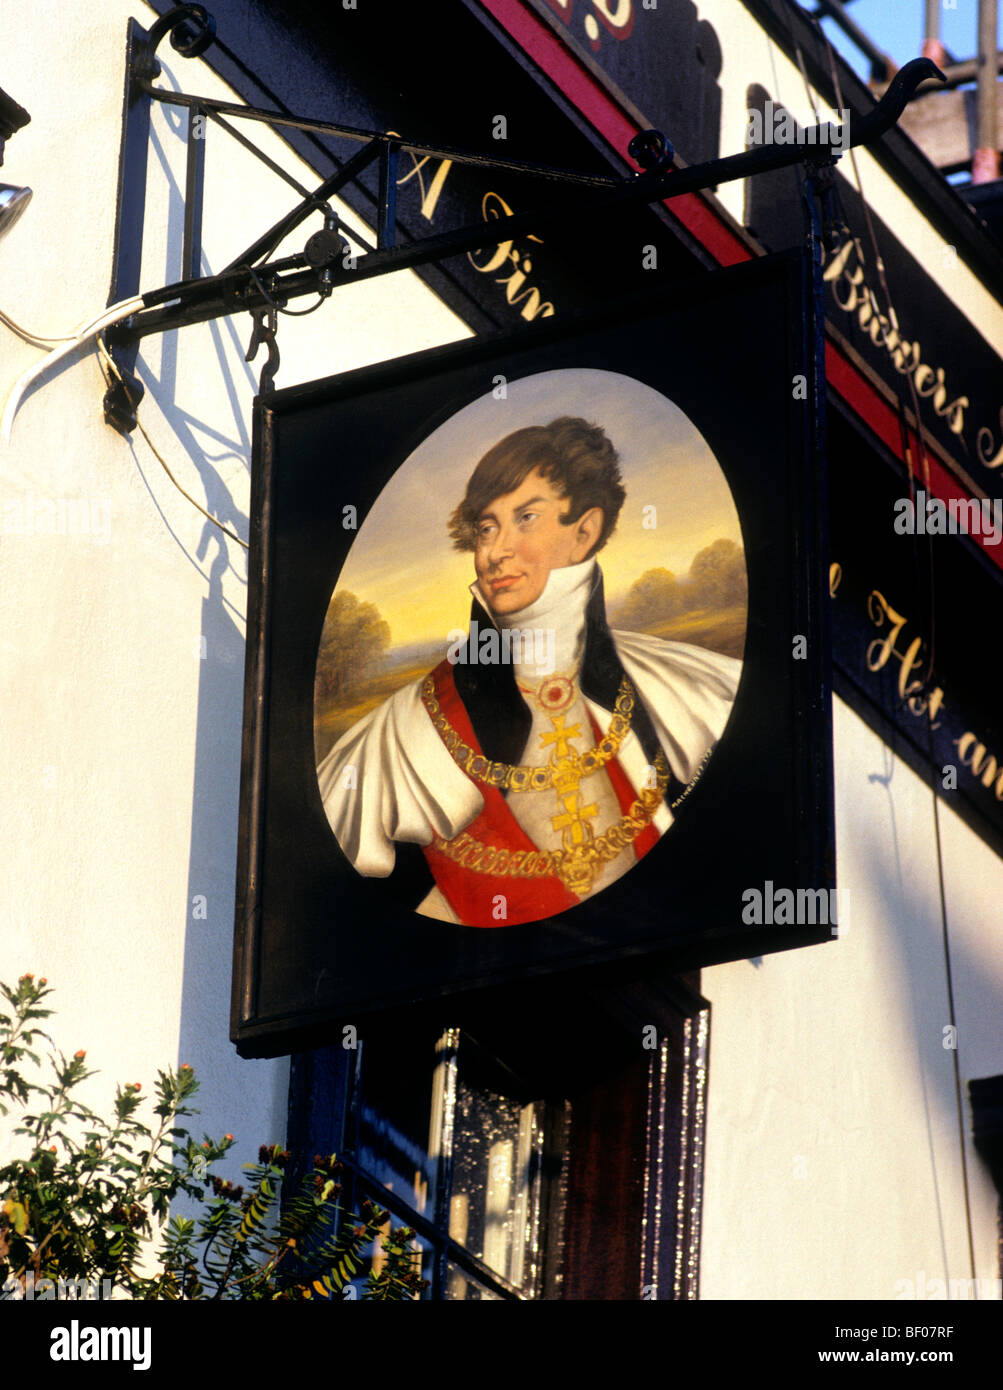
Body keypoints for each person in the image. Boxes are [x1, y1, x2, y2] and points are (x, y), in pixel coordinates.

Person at [317, 416, 741, 926]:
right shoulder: (397, 738)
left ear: (585, 531)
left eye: (526, 519)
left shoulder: (683, 687)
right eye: (487, 527)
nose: (495, 552)